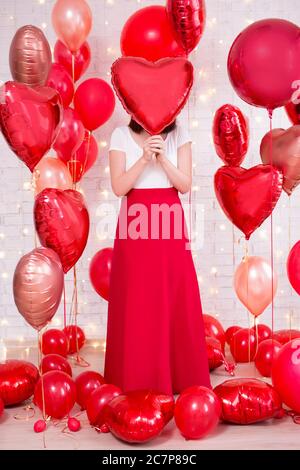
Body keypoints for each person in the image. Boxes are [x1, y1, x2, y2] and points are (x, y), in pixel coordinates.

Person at [104, 118, 210, 395]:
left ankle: (178, 377)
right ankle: (137, 377)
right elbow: (119, 187)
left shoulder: (180, 135)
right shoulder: (120, 135)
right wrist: (143, 158)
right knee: (138, 298)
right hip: (135, 220)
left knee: (174, 293)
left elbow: (184, 185)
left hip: (169, 220)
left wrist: (162, 159)